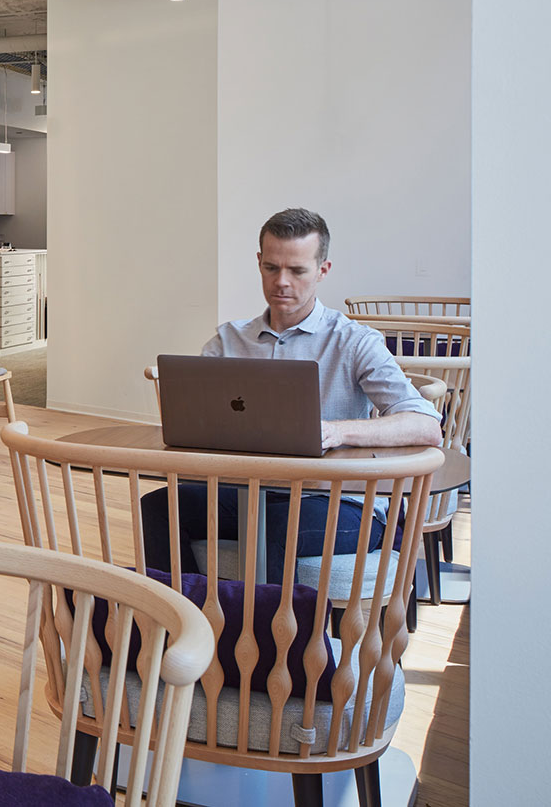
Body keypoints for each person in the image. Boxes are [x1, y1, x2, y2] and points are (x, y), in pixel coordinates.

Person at [139, 208, 441, 577]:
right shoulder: (228, 341)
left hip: (338, 503)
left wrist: (336, 431)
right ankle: (186, 625)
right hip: (249, 496)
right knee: (158, 507)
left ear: (322, 271)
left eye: (297, 270)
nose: (282, 281)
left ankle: (272, 635)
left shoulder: (354, 341)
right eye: (271, 267)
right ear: (259, 263)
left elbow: (426, 425)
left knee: (273, 526)